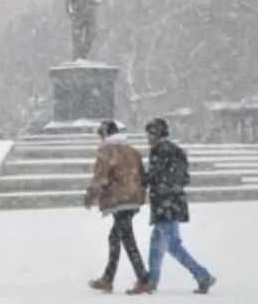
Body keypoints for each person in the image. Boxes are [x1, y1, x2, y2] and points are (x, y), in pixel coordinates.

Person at [144, 118, 216, 294]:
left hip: (164, 203)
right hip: (175, 202)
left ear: (156, 133)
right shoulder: (176, 150)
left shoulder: (158, 151)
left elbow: (155, 178)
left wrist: (142, 178)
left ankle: (202, 275)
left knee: (172, 245)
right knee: (158, 243)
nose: (147, 137)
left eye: (149, 133)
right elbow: (185, 178)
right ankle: (151, 280)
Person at [85, 120, 151, 295]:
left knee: (127, 239)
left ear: (104, 135)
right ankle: (108, 278)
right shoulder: (133, 152)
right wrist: (138, 193)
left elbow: (100, 176)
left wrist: (90, 195)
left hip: (118, 199)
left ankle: (143, 278)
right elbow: (143, 177)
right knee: (115, 237)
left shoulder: (106, 151)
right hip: (133, 198)